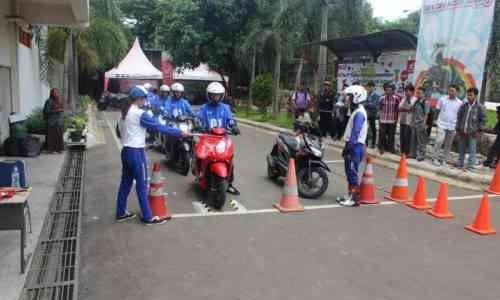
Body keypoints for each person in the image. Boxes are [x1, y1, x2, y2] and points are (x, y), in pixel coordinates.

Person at [116, 85, 184, 225]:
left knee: (125, 184)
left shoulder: (124, 113)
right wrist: (179, 133)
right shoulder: (140, 113)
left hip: (126, 151)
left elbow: (119, 133)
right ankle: (148, 217)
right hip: (136, 153)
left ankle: (120, 212)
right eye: (144, 99)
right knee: (142, 185)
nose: (145, 102)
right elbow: (158, 127)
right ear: (140, 99)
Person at [197, 82, 241, 195]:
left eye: (218, 95)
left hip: (223, 139)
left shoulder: (225, 108)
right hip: (207, 137)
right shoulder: (204, 108)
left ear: (221, 95)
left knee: (228, 159)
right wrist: (197, 124)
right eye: (213, 95)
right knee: (200, 155)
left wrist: (233, 126)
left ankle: (229, 183)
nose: (215, 97)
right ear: (209, 95)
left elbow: (230, 119)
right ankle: (200, 173)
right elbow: (197, 118)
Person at [336, 85, 368, 207]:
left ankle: (355, 198)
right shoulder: (356, 111)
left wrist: (348, 148)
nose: (347, 99)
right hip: (352, 145)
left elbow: (355, 132)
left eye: (349, 97)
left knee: (352, 171)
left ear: (356, 97)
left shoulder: (359, 113)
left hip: (355, 146)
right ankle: (350, 195)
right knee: (349, 171)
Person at [455, 87, 485, 171]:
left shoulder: (480, 107)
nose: (468, 97)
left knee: (472, 150)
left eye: (470, 95)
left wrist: (479, 131)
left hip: (473, 132)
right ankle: (460, 164)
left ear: (475, 96)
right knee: (461, 149)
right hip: (462, 131)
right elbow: (459, 117)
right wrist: (457, 128)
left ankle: (471, 166)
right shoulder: (464, 106)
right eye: (467, 95)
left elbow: (483, 120)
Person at [432, 84, 463, 166]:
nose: (450, 92)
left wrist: (458, 125)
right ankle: (434, 158)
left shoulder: (460, 103)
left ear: (457, 92)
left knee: (448, 144)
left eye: (452, 91)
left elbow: (460, 115)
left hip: (452, 126)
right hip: (441, 124)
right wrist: (435, 120)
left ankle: (444, 160)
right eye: (449, 90)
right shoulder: (442, 99)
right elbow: (437, 110)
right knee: (439, 141)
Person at [378, 82, 401, 154]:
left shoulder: (396, 99)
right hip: (383, 119)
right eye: (387, 90)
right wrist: (379, 119)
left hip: (392, 119)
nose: (388, 91)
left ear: (393, 90)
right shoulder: (381, 98)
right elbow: (380, 109)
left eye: (390, 90)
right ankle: (382, 148)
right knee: (382, 134)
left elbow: (397, 110)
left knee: (391, 135)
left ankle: (391, 148)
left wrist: (396, 119)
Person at [410, 87, 430, 161]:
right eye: (417, 93)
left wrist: (424, 124)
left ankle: (421, 155)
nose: (418, 94)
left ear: (424, 94)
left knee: (421, 141)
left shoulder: (425, 102)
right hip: (414, 123)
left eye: (419, 93)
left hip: (420, 124)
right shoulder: (416, 101)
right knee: (413, 140)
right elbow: (413, 111)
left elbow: (426, 114)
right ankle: (413, 154)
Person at [43, 88, 64, 153]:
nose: (57, 94)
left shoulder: (58, 101)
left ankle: (58, 149)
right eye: (55, 93)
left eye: (58, 92)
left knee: (58, 135)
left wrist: (61, 109)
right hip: (51, 121)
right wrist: (57, 110)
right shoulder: (49, 101)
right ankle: (51, 149)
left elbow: (60, 108)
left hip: (57, 121)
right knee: (51, 136)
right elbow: (46, 111)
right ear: (52, 94)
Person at [399, 84, 416, 156]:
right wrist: (407, 109)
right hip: (402, 120)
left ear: (412, 92)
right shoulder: (403, 99)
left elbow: (412, 109)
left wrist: (405, 108)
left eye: (408, 91)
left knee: (407, 137)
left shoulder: (415, 100)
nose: (406, 93)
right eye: (405, 91)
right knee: (402, 137)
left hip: (410, 121)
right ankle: (402, 152)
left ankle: (407, 152)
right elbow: (399, 108)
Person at [365, 81, 380, 148]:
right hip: (366, 114)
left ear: (374, 87)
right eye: (368, 87)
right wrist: (368, 104)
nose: (369, 88)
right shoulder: (366, 95)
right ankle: (366, 143)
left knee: (373, 129)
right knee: (365, 129)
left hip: (373, 115)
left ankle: (373, 144)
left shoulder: (377, 96)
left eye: (371, 87)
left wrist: (368, 104)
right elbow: (364, 104)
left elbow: (375, 105)